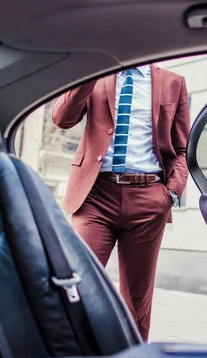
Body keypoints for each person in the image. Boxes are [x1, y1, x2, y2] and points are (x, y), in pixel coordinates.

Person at [52, 64, 190, 340]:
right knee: (75, 282)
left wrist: (171, 192)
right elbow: (61, 119)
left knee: (137, 300)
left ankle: (133, 357)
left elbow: (182, 148)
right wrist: (87, 73)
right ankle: (69, 352)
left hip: (148, 198)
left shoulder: (174, 82)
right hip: (95, 196)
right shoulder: (94, 76)